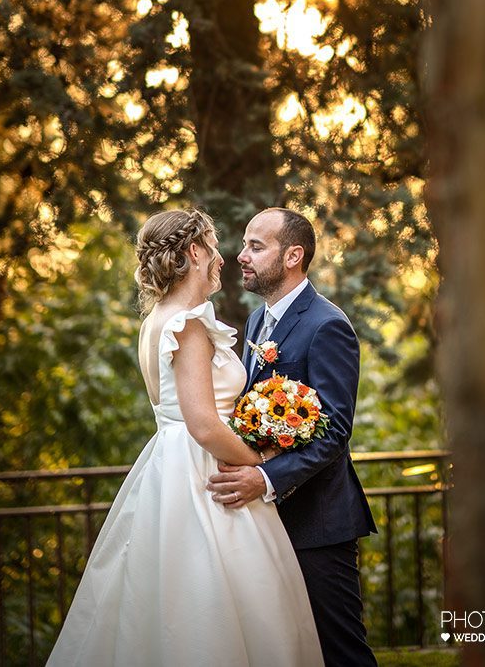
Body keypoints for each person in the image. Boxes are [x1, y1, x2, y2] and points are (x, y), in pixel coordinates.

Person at [47, 208, 323, 667]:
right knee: (220, 591)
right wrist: (261, 464)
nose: (223, 258)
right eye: (213, 247)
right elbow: (204, 424)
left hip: (169, 465)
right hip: (204, 470)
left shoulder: (157, 319)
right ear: (194, 252)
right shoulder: (187, 325)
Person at [207, 207, 378, 667]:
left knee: (340, 650)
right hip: (266, 523)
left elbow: (334, 431)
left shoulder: (327, 324)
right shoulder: (256, 323)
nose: (241, 256)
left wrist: (264, 479)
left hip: (317, 522)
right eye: (244, 244)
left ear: (292, 256)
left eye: (256, 246)